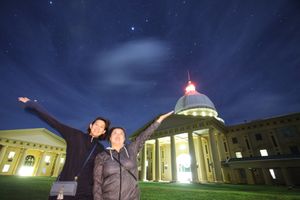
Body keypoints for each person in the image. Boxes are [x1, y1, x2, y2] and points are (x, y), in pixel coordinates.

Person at [18, 97, 110, 200]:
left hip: (86, 192)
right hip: (65, 187)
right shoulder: (75, 135)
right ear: (91, 125)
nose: (98, 127)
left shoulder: (100, 148)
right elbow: (54, 123)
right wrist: (33, 105)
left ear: (103, 132)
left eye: (101, 127)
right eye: (96, 124)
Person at [93, 111, 173, 200]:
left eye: (121, 134)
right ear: (110, 138)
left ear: (124, 138)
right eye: (115, 133)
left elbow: (144, 135)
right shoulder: (102, 156)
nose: (118, 135)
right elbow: (97, 183)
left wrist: (159, 120)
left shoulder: (131, 149)